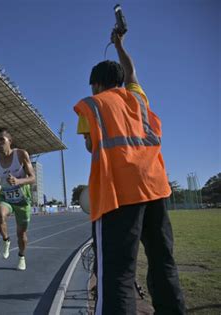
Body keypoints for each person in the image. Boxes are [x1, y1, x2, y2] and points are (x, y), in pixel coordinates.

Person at [73, 30, 185, 314]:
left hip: (118, 195)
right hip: (156, 190)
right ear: (120, 81)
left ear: (96, 85)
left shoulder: (93, 106)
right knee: (163, 262)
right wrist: (120, 45)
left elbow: (90, 146)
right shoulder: (137, 98)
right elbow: (132, 72)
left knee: (117, 273)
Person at [0, 128, 36, 271]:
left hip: (22, 198)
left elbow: (32, 178)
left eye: (1, 139)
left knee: (21, 234)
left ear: (10, 141)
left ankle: (21, 256)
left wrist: (18, 181)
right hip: (6, 196)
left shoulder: (21, 154)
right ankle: (5, 240)